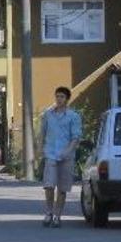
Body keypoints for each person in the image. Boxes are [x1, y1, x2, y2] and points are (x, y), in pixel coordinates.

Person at [39, 86, 82, 228]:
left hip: (66, 156)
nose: (59, 99)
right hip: (51, 154)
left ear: (67, 99)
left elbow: (76, 137)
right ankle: (49, 212)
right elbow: (42, 133)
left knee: (62, 188)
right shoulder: (48, 115)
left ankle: (58, 215)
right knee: (49, 185)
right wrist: (40, 149)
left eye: (62, 97)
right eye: (57, 96)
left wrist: (68, 151)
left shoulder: (73, 116)